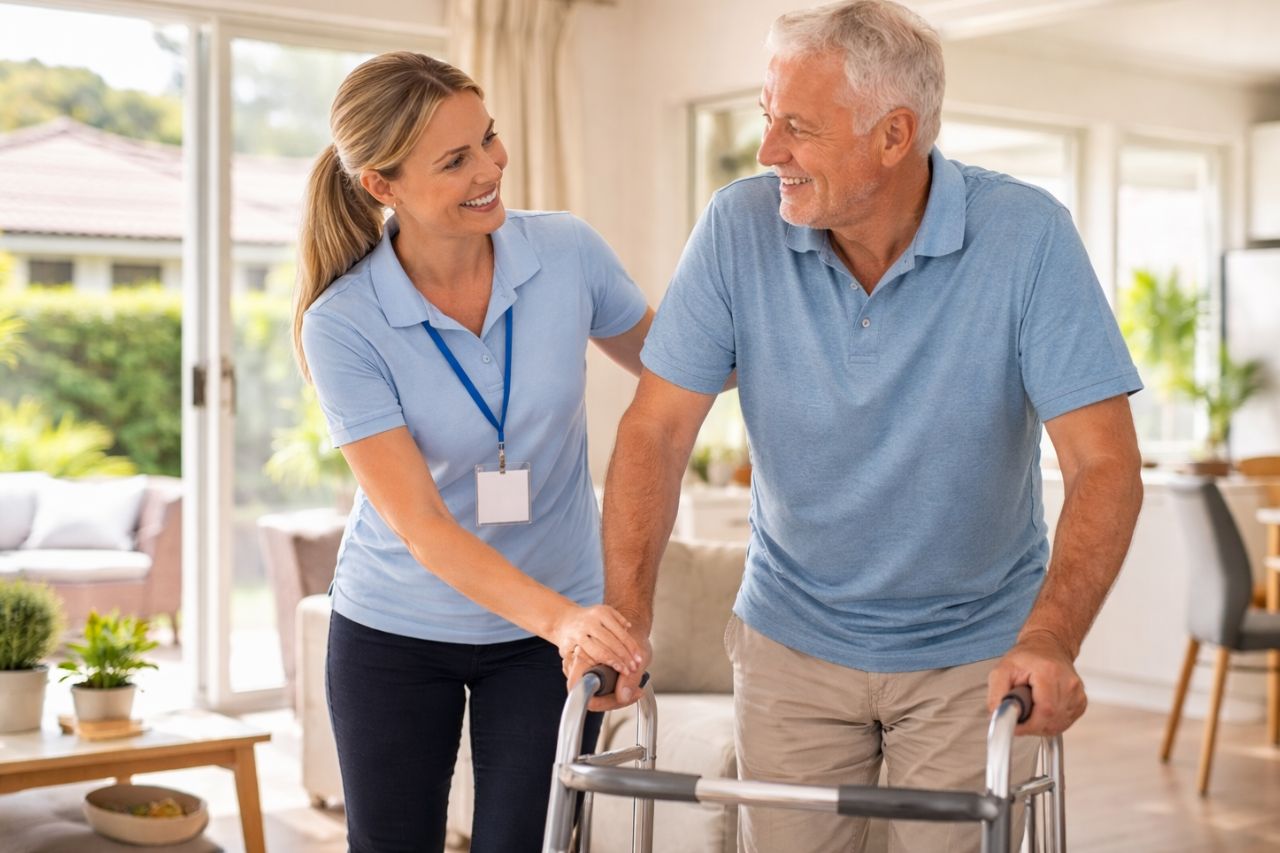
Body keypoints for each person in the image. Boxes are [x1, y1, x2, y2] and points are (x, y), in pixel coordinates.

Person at [571, 2, 1144, 851]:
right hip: (791, 641)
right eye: (769, 120)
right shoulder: (738, 228)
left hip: (973, 653)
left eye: (797, 128)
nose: (770, 153)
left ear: (893, 134)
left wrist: (1051, 638)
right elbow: (656, 428)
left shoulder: (1026, 238)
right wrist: (627, 614)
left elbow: (1104, 465)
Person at [294, 51, 651, 853]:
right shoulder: (344, 322)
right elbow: (421, 524)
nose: (491, 167)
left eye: (488, 139)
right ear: (382, 186)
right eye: (455, 160)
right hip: (397, 630)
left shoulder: (566, 253)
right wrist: (569, 622)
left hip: (542, 645)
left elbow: (678, 363)